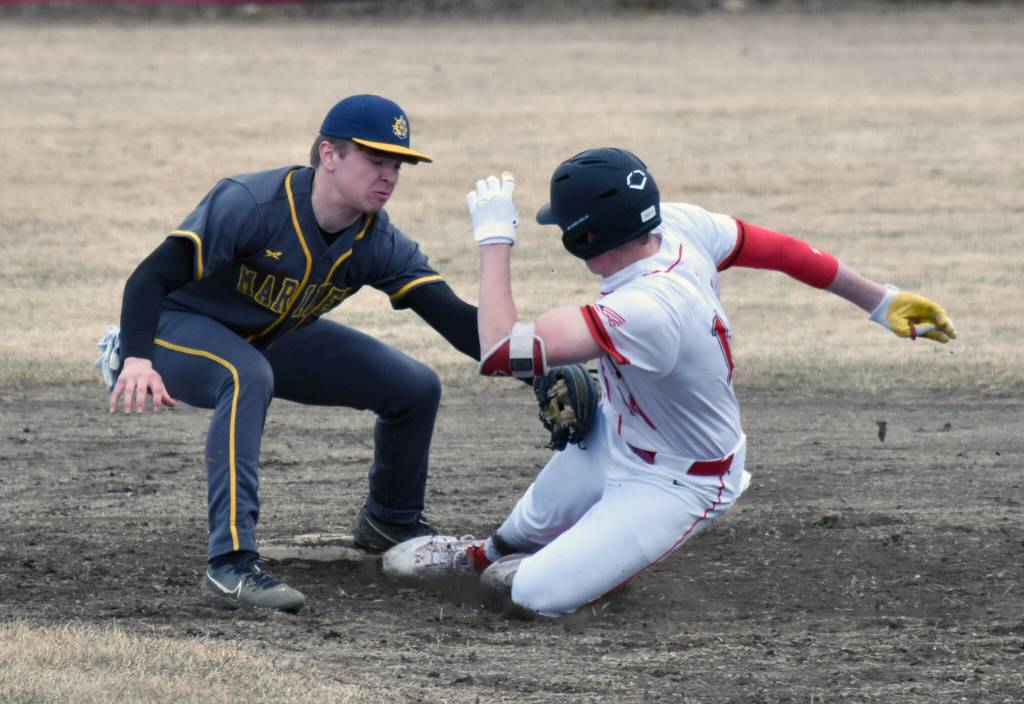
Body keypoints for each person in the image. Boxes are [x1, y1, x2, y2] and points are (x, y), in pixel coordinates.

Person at [382, 147, 957, 617]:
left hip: (681, 481)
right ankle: (486, 553)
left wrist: (493, 240)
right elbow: (782, 251)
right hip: (623, 433)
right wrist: (879, 300)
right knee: (523, 529)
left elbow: (500, 351)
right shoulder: (677, 224)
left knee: (532, 595)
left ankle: (588, 570)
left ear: (582, 239)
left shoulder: (646, 308)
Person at [97, 94, 483, 613]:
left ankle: (390, 520)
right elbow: (149, 278)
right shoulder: (253, 203)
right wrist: (138, 357)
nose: (388, 176)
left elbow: (456, 320)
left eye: (397, 165)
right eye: (374, 160)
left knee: (415, 386)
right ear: (329, 155)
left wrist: (541, 367)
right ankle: (230, 564)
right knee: (246, 373)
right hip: (172, 329)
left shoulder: (375, 239)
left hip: (272, 336)